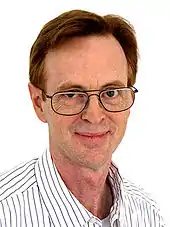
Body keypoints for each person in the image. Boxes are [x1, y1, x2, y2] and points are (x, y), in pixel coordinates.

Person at [0, 9, 165, 227]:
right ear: (39, 103)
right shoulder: (5, 213)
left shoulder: (147, 214)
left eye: (111, 92)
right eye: (71, 94)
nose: (94, 116)